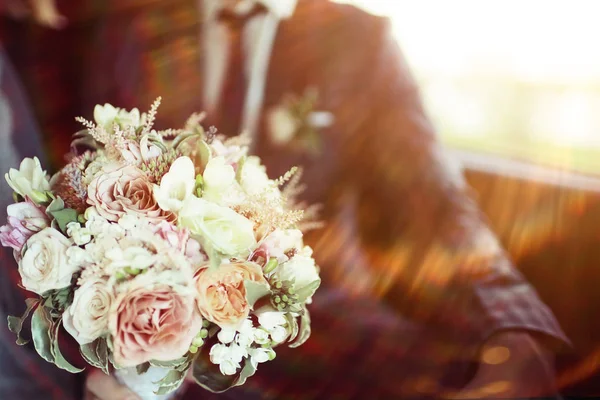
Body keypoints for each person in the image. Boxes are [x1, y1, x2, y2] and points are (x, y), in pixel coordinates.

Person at [0, 1, 569, 399]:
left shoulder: (358, 43)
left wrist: (511, 331)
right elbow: (41, 204)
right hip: (138, 339)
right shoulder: (96, 25)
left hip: (305, 331)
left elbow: (436, 208)